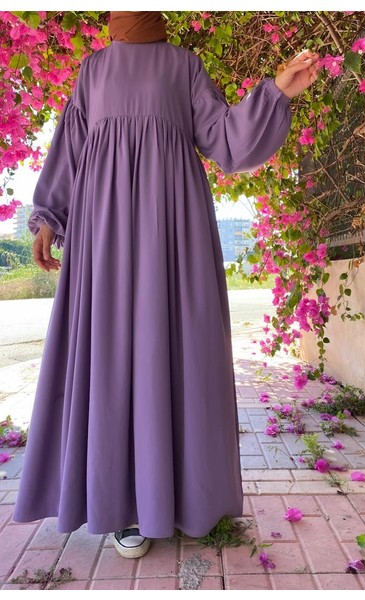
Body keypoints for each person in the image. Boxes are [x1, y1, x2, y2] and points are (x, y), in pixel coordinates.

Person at [12, 11, 319, 559]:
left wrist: (276, 91)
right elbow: (70, 151)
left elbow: (225, 139)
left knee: (173, 349)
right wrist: (49, 218)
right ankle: (123, 506)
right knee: (111, 355)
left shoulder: (184, 67)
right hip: (104, 239)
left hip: (173, 234)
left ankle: (175, 497)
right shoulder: (93, 71)